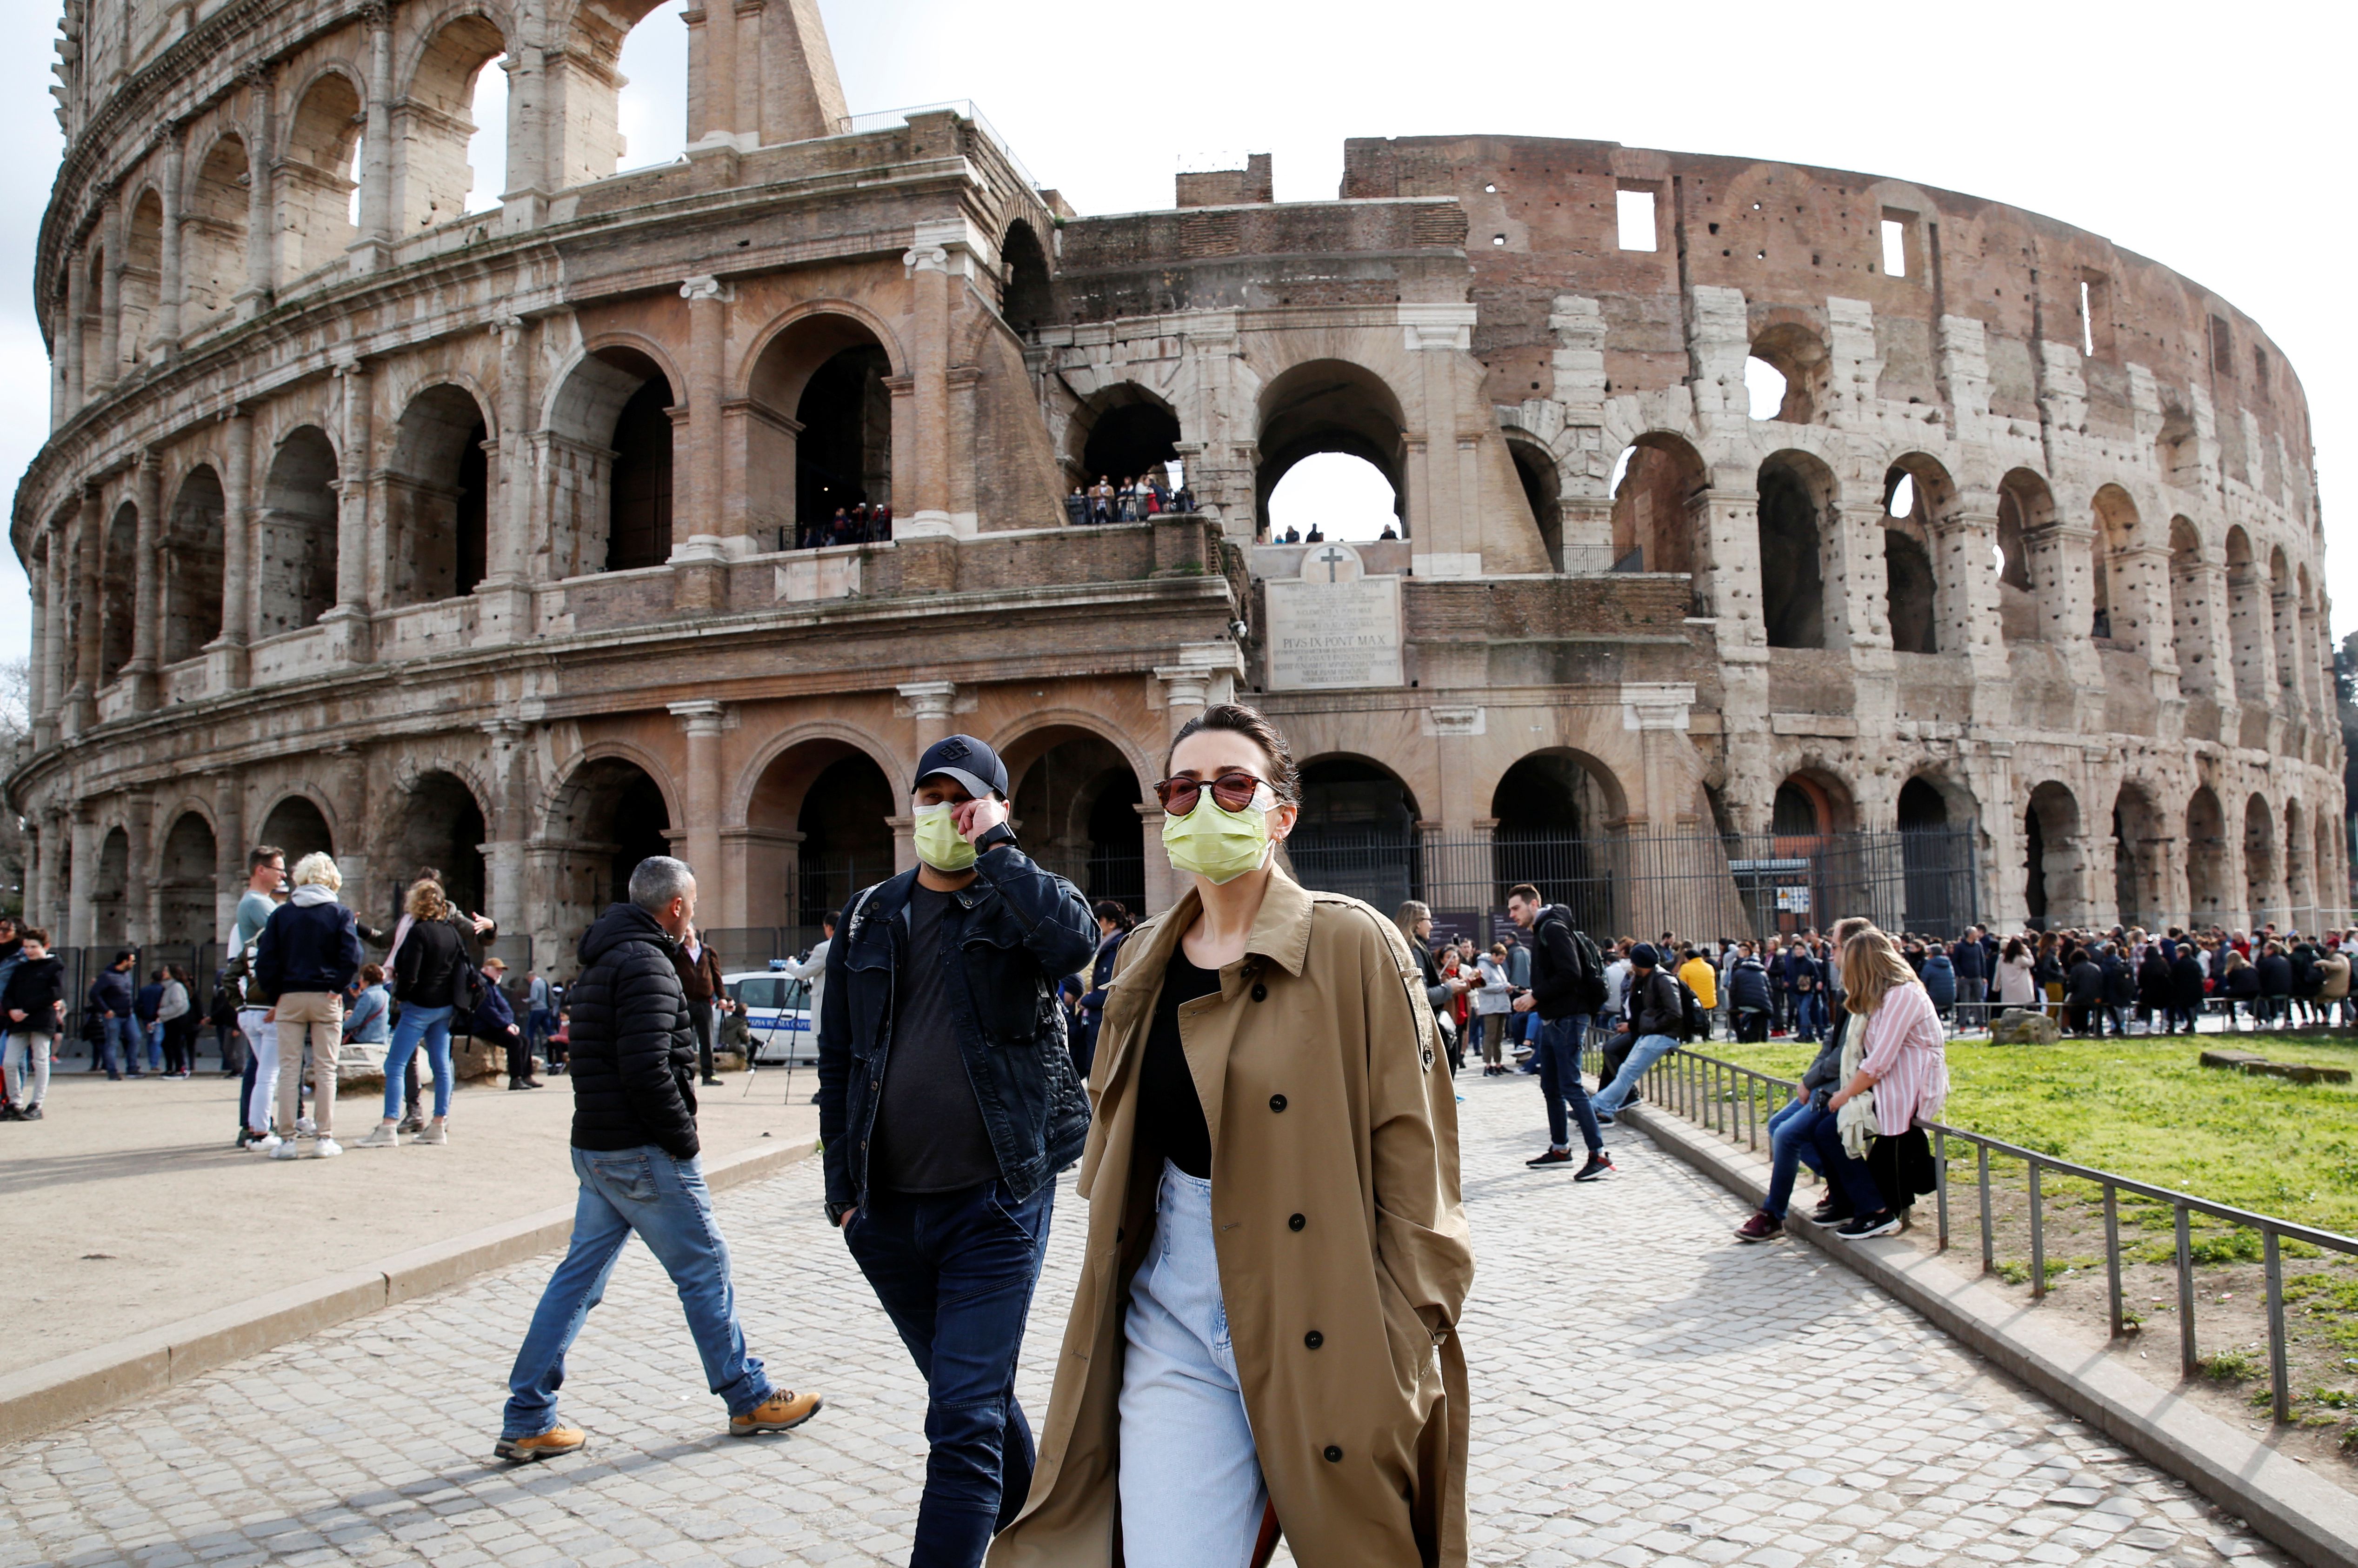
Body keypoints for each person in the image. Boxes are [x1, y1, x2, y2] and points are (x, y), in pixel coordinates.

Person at [994, 701, 1472, 1568]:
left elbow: (1421, 1162)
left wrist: (1404, 1336)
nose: (1203, 802)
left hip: (1329, 1299)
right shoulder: (1140, 955)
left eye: (1232, 783)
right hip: (1173, 1297)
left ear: (1281, 813)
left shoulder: (1352, 942)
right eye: (1182, 789)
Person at [819, 732, 1096, 1566]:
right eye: (932, 798)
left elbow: (1074, 944)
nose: (947, 812)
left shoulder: (1020, 902)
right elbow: (840, 1056)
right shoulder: (872, 913)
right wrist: (845, 1189)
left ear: (997, 807)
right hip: (889, 1214)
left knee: (963, 1417)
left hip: (997, 1201)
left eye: (964, 798)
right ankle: (1050, 1528)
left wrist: (1000, 850)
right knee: (968, 1396)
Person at [497, 855, 822, 1462]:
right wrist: (684, 1141)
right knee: (704, 1265)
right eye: (692, 905)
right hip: (641, 1149)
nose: (693, 914)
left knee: (577, 1283)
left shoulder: (602, 958)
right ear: (675, 907)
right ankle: (747, 1395)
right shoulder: (647, 963)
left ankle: (527, 1415)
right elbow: (649, 1069)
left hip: (596, 1144)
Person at [1734, 917, 1873, 1242]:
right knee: (1776, 1126)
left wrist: (1812, 1082)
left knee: (1787, 1134)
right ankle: (1842, 1188)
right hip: (1828, 1082)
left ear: (1852, 948)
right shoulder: (1848, 987)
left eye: (1835, 946)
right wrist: (1808, 1079)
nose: (1830, 953)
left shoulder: (1866, 992)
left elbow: (1846, 1054)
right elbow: (1829, 1044)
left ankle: (1773, 1214)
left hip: (1848, 1085)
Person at [1811, 927, 1950, 1241]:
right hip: (1889, 1084)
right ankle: (1854, 1203)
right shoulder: (1887, 995)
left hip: (1907, 1086)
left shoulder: (1903, 995)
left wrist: (1845, 1094)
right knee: (1824, 1131)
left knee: (1829, 1131)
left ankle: (1875, 1211)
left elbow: (1879, 1061)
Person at [254, 851, 364, 1160]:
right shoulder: (339, 913)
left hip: (289, 996)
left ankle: (287, 1140)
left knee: (290, 1070)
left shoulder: (281, 914)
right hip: (326, 996)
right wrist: (337, 987)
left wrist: (276, 993)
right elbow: (352, 957)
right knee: (326, 1069)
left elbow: (265, 961)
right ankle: (324, 1138)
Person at [1506, 884, 1611, 1177]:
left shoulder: (1552, 928)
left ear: (1533, 904)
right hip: (1554, 1018)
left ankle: (1599, 1154)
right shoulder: (1544, 930)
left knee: (1571, 1086)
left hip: (1568, 1018)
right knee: (1551, 1086)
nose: (1512, 915)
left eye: (1516, 908)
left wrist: (1535, 997)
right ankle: (1560, 1148)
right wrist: (1534, 995)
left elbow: (1571, 973)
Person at [359, 881, 473, 1148]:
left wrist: (401, 995)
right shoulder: (451, 932)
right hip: (445, 1007)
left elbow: (410, 973)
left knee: (395, 1064)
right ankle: (439, 1123)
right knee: (442, 1066)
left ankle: (388, 1125)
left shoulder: (418, 933)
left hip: (419, 1006)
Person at [231, 845, 289, 1149]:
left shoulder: (254, 903)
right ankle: (258, 1127)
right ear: (261, 870)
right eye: (279, 869)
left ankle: (256, 1125)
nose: (284, 874)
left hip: (253, 996)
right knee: (265, 1071)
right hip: (265, 998)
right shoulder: (258, 904)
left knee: (261, 1068)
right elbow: (289, 935)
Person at [1590, 943, 1683, 1122]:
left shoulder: (1663, 980)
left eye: (1632, 962)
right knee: (1626, 1069)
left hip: (1664, 1035)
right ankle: (1603, 1108)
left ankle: (1597, 1106)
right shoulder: (1650, 979)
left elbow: (1675, 1013)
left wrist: (1651, 1026)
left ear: (1639, 964)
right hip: (1653, 1033)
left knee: (1628, 1071)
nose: (1630, 965)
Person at [0, 928, 64, 1121]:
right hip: (18, 1020)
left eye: (33, 947)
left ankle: (36, 1104)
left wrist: (26, 1009)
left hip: (41, 1019)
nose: (29, 951)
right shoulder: (22, 968)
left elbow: (55, 993)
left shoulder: (55, 966)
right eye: (26, 947)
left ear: (45, 947)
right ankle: (15, 1103)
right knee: (9, 1062)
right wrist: (12, 1010)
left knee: (41, 1061)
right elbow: (9, 993)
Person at [1075, 900, 1134, 1080]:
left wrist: (1085, 1001)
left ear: (1111, 922)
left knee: (1101, 1072)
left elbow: (1108, 989)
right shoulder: (1110, 946)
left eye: (1098, 920)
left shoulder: (1113, 948)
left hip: (1104, 1019)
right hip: (1101, 1019)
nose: (1095, 924)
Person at [674, 924, 725, 1087]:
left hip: (704, 1002)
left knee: (706, 1040)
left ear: (694, 932)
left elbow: (716, 975)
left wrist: (722, 997)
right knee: (682, 1040)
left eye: (687, 931)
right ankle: (682, 1073)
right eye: (683, 933)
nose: (685, 935)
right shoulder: (676, 952)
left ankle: (709, 1074)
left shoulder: (708, 952)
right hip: (684, 1002)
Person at [474, 957, 535, 1090]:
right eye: (497, 970)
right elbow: (487, 1011)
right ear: (486, 970)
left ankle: (527, 1076)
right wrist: (505, 1025)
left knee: (524, 1040)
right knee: (515, 1042)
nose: (500, 973)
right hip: (482, 1026)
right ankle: (516, 1078)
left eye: (501, 971)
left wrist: (509, 1023)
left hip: (495, 1024)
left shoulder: (492, 986)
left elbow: (505, 1008)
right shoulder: (482, 985)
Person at [89, 951, 137, 1081]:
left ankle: (132, 1068)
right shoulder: (107, 976)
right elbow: (94, 994)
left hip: (128, 1013)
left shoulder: (127, 975)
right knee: (112, 1042)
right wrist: (105, 1010)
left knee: (135, 1037)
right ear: (124, 962)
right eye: (132, 961)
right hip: (113, 1015)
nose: (133, 964)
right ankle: (112, 1071)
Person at [1474, 941, 1515, 1073]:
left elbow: (1502, 982)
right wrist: (1503, 987)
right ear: (1493, 955)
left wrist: (1508, 987)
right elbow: (1484, 986)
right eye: (1500, 958)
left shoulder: (1498, 966)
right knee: (1490, 1036)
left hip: (1501, 1006)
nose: (1502, 961)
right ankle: (1488, 1064)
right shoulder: (1484, 966)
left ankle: (1498, 1063)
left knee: (1499, 1037)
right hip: (1491, 1007)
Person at [154, 965, 193, 1078]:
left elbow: (179, 1005)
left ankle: (180, 1068)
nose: (163, 973)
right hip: (170, 1019)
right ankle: (171, 1068)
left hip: (176, 1019)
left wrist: (162, 1012)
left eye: (166, 971)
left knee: (175, 1044)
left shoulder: (176, 987)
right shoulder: (168, 987)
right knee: (168, 1044)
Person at [1994, 936, 2038, 1013]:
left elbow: (1998, 973)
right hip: (2022, 991)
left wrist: (1996, 987)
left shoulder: (2002, 958)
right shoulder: (2020, 959)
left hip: (2008, 990)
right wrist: (2027, 951)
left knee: (2008, 1012)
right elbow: (2031, 963)